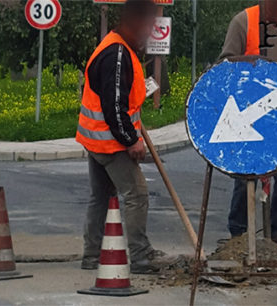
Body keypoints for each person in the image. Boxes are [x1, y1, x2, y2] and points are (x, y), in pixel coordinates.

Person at [76, 0, 170, 274]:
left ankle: (92, 255)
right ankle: (141, 256)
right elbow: (113, 105)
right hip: (110, 142)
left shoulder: (118, 47)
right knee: (137, 194)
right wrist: (131, 140)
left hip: (98, 140)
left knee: (101, 197)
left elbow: (122, 103)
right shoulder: (117, 53)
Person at [219, 0, 277, 249]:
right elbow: (227, 64)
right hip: (249, 114)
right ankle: (239, 235)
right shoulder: (244, 22)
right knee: (247, 173)